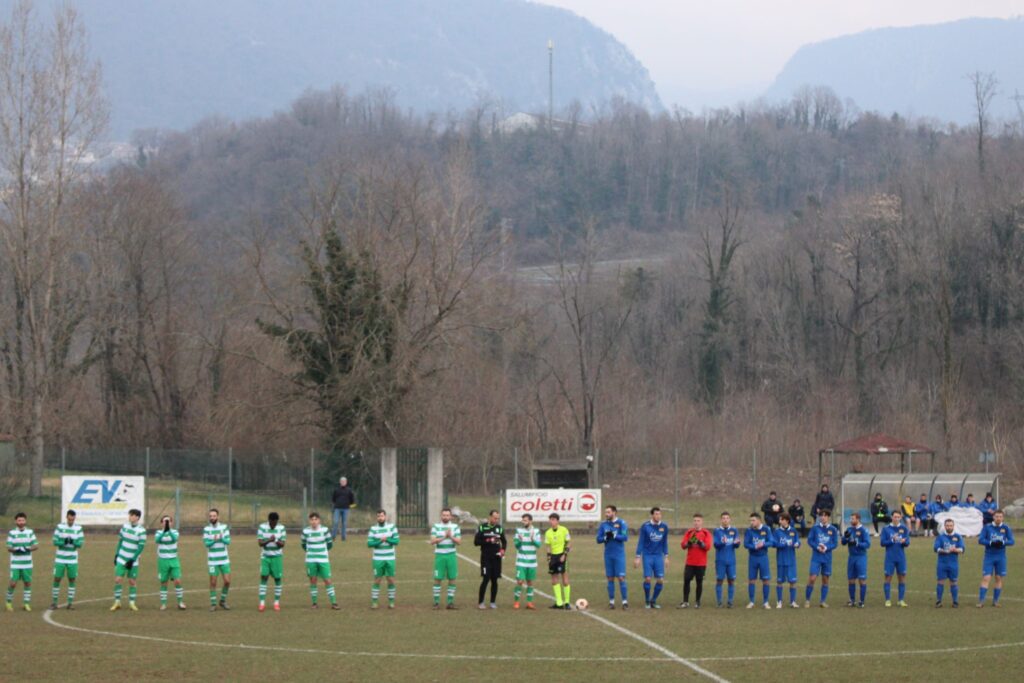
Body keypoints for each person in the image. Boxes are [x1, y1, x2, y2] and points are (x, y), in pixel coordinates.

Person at [977, 509, 1015, 608]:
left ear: (1003, 517)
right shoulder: (987, 527)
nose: (998, 518)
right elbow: (980, 540)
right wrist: (990, 543)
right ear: (993, 517)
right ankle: (981, 601)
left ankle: (995, 601)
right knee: (986, 578)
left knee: (998, 578)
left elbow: (1012, 541)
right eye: (996, 516)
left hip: (1001, 557)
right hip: (989, 556)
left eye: (1000, 516)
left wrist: (1003, 542)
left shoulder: (1006, 528)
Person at [110, 508, 146, 612]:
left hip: (133, 560)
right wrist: (117, 554)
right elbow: (120, 541)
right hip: (122, 558)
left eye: (132, 515)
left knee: (132, 581)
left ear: (137, 517)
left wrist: (133, 559)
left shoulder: (141, 531)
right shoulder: (124, 527)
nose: (130, 517)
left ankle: (132, 603)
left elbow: (140, 547)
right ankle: (117, 602)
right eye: (129, 515)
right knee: (118, 579)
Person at [634, 507, 669, 609]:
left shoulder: (664, 526)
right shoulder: (645, 526)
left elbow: (664, 542)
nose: (658, 516)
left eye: (659, 514)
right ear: (652, 515)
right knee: (648, 579)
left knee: (660, 580)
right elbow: (641, 542)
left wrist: (666, 556)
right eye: (656, 514)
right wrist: (637, 557)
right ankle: (647, 600)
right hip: (648, 555)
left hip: (658, 556)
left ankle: (653, 600)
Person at [302, 512, 338, 609]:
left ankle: (334, 603)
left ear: (319, 521)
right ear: (309, 521)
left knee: (327, 580)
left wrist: (322, 552)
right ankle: (314, 603)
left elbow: (329, 544)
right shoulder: (305, 531)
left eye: (315, 519)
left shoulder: (325, 530)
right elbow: (303, 545)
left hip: (323, 560)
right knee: (313, 580)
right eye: (312, 519)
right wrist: (311, 552)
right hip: (311, 560)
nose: (314, 521)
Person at [596, 505, 629, 609]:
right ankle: (611, 602)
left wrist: (614, 535)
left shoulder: (621, 523)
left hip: (619, 555)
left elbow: (625, 537)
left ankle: (624, 602)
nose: (606, 514)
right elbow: (598, 539)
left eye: (609, 512)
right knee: (610, 578)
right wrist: (606, 537)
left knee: (621, 577)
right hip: (608, 554)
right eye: (606, 512)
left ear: (614, 512)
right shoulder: (603, 525)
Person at [804, 509, 838, 608]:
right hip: (816, 557)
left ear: (828, 517)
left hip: (827, 558)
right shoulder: (815, 528)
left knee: (825, 579)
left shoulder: (833, 529)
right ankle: (807, 600)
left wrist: (826, 548)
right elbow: (810, 541)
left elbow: (835, 543)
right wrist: (817, 547)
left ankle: (822, 601)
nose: (822, 517)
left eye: (825, 515)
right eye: (821, 516)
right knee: (812, 578)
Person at [51, 509, 83, 610]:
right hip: (60, 558)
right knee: (57, 579)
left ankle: (70, 603)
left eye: (72, 520)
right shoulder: (60, 527)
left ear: (74, 519)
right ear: (66, 517)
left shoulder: (78, 528)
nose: (71, 521)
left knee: (72, 579)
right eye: (69, 519)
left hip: (72, 559)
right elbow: (55, 542)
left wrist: (73, 542)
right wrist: (63, 542)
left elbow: (80, 544)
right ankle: (54, 603)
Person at [474, 509, 507, 609]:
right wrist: (488, 540)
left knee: (494, 580)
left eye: (498, 518)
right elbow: (476, 542)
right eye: (494, 518)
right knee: (486, 578)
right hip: (486, 558)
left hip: (496, 558)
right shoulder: (482, 527)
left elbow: (504, 542)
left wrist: (502, 550)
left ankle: (493, 602)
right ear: (490, 517)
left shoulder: (499, 528)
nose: (496, 520)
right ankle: (481, 602)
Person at [5, 512, 38, 612]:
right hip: (15, 563)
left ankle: (26, 604)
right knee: (13, 584)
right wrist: (17, 550)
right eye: (19, 520)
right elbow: (9, 547)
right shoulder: (12, 533)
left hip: (27, 563)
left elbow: (35, 546)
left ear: (25, 521)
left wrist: (27, 549)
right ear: (16, 521)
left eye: (23, 520)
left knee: (27, 583)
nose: (21, 522)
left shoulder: (30, 532)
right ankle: (8, 603)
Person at [367, 509, 399, 609]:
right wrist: (380, 541)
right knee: (377, 580)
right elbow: (369, 544)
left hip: (390, 558)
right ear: (377, 518)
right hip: (378, 558)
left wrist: (387, 539)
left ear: (385, 517)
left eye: (382, 516)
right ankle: (374, 602)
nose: (380, 518)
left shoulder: (392, 527)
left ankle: (391, 602)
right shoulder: (373, 529)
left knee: (391, 580)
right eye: (378, 516)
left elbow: (396, 541)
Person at [679, 513, 712, 609]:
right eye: (695, 521)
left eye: (698, 521)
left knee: (699, 582)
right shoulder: (689, 532)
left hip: (701, 563)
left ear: (702, 522)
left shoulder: (706, 533)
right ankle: (685, 601)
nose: (696, 523)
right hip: (690, 562)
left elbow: (708, 547)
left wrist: (700, 543)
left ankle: (697, 602)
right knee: (686, 581)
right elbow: (683, 545)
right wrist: (688, 543)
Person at [431, 507, 461, 609]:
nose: (445, 517)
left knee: (452, 579)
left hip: (451, 555)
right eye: (444, 515)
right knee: (437, 579)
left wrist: (451, 536)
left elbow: (459, 542)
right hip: (440, 556)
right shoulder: (435, 527)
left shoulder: (455, 527)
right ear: (441, 516)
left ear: (451, 516)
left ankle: (450, 602)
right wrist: (444, 537)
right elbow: (432, 541)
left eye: (447, 515)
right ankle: (436, 602)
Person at [154, 515, 186, 611]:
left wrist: (168, 531)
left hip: (174, 560)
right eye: (164, 521)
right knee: (164, 582)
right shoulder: (158, 532)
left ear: (171, 523)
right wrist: (164, 531)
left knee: (177, 581)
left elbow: (174, 539)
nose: (166, 523)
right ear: (161, 523)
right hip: (162, 560)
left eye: (168, 521)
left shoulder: (175, 532)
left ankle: (180, 602)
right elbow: (157, 540)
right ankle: (163, 604)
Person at [257, 511, 286, 612]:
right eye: (272, 522)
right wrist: (269, 540)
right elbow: (260, 543)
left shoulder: (281, 528)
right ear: (269, 520)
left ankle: (276, 603)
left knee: (277, 579)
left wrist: (276, 540)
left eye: (275, 522)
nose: (274, 524)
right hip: (265, 557)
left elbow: (282, 544)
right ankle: (262, 603)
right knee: (264, 577)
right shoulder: (262, 527)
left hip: (277, 557)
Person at [203, 508, 232, 611]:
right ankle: (213, 603)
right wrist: (214, 540)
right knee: (213, 582)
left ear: (218, 516)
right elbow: (206, 544)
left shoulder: (224, 528)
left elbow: (228, 541)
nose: (212, 518)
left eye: (214, 516)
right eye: (210, 516)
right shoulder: (207, 529)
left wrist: (221, 538)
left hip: (224, 560)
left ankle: (222, 601)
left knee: (227, 581)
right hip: (212, 560)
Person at [881, 509, 910, 607]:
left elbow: (907, 543)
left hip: (901, 557)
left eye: (898, 517)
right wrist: (892, 540)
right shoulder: (886, 529)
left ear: (901, 518)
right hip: (890, 557)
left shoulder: (904, 529)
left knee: (901, 577)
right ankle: (888, 600)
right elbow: (882, 543)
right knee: (888, 577)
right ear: (892, 517)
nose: (896, 518)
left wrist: (904, 542)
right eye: (895, 517)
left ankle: (900, 600)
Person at [841, 512, 871, 608]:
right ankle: (852, 600)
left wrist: (857, 543)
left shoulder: (864, 530)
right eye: (850, 519)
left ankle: (861, 601)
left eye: (853, 519)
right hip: (851, 557)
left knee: (862, 580)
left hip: (861, 557)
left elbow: (867, 544)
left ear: (858, 519)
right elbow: (843, 542)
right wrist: (846, 538)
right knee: (851, 579)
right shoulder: (849, 529)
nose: (851, 520)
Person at [744, 512, 773, 609]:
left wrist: (763, 544)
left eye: (753, 520)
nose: (751, 522)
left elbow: (771, 541)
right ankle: (751, 601)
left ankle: (765, 602)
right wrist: (755, 546)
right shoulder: (749, 530)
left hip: (763, 557)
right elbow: (746, 544)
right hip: (752, 558)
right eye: (750, 521)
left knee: (766, 580)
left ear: (759, 520)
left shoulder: (766, 529)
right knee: (751, 580)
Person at [513, 513, 541, 610]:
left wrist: (533, 540)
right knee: (520, 581)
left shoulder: (536, 531)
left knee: (530, 582)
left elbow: (538, 545)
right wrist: (520, 541)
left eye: (525, 520)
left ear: (530, 521)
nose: (523, 522)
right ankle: (516, 602)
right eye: (523, 520)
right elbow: (516, 545)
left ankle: (529, 603)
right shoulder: (518, 531)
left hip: (532, 562)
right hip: (521, 561)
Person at [713, 512, 741, 608]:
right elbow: (715, 544)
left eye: (727, 518)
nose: (725, 520)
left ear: (730, 519)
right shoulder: (717, 531)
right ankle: (719, 602)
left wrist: (737, 543)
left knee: (731, 580)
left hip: (731, 560)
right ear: (721, 520)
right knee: (719, 580)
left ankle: (730, 601)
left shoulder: (734, 530)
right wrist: (722, 543)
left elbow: (736, 545)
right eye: (723, 518)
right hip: (720, 560)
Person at [934, 518, 964, 607]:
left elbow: (962, 549)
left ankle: (955, 602)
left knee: (954, 582)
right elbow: (936, 548)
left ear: (953, 526)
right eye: (947, 525)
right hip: (942, 563)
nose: (949, 527)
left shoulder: (958, 537)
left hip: (953, 564)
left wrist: (955, 549)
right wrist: (944, 550)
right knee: (940, 581)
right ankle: (938, 601)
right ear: (945, 526)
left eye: (951, 525)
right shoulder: (940, 537)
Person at [773, 512, 801, 608]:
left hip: (791, 560)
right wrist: (785, 544)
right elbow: (774, 544)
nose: (779, 521)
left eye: (781, 519)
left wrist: (797, 544)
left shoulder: (793, 531)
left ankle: (792, 601)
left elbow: (798, 541)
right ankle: (779, 601)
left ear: (787, 520)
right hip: (781, 560)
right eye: (779, 519)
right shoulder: (777, 532)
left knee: (792, 581)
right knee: (780, 581)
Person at [545, 513, 572, 610]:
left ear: (557, 521)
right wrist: (548, 557)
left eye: (553, 519)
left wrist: (564, 554)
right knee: (554, 580)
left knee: (565, 579)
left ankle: (567, 602)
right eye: (550, 519)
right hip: (553, 557)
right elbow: (548, 546)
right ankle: (559, 603)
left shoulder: (564, 530)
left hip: (561, 555)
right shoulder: (548, 532)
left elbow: (569, 542)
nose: (551, 521)